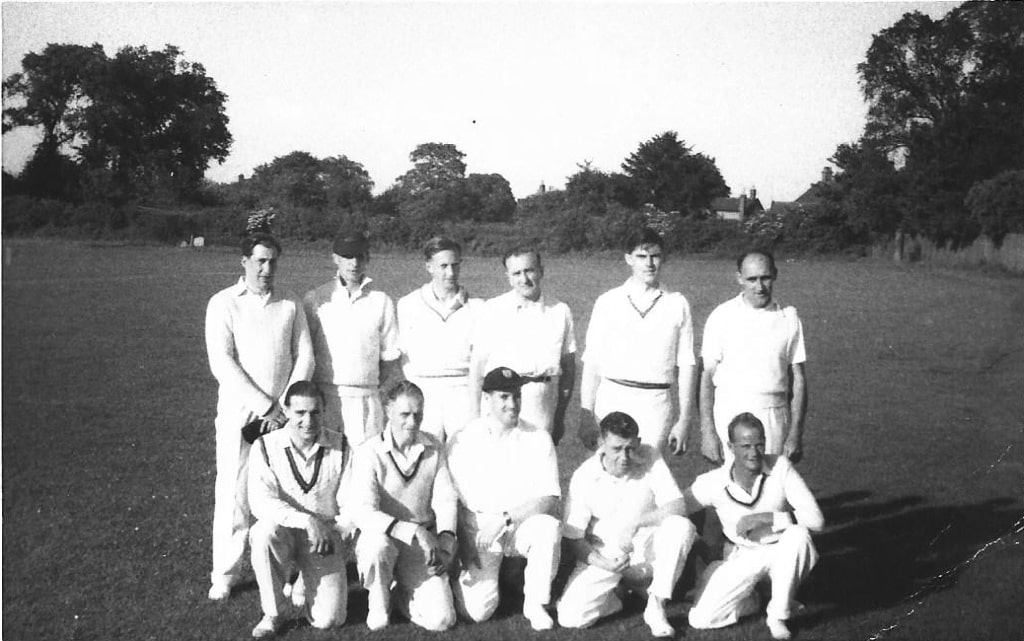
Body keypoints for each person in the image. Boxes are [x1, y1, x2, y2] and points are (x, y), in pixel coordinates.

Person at [204, 232, 314, 601]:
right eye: (260, 261)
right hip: (242, 413)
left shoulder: (290, 303)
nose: (267, 269)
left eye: (273, 262)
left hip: (284, 416)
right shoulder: (223, 303)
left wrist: (287, 407)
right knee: (233, 493)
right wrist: (265, 406)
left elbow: (305, 357)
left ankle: (292, 570)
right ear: (245, 262)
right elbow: (222, 362)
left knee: (288, 493)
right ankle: (225, 572)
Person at [684, 413, 824, 640]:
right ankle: (753, 598)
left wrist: (768, 518)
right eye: (746, 445)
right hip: (742, 556)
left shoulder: (780, 467)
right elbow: (677, 506)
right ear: (731, 447)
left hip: (781, 552)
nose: (754, 452)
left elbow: (816, 520)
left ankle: (778, 615)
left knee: (798, 535)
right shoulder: (712, 481)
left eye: (759, 444)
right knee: (700, 620)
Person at [557, 412, 698, 637]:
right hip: (608, 555)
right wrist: (605, 564)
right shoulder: (583, 476)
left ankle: (656, 604)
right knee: (570, 617)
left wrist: (636, 524)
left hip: (647, 552)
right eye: (617, 449)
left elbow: (678, 506)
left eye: (630, 448)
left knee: (681, 526)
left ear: (638, 443)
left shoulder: (650, 455)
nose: (624, 456)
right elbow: (574, 539)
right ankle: (620, 595)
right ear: (601, 443)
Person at [447, 367, 562, 630]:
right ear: (486, 399)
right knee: (477, 612)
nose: (513, 404)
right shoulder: (463, 439)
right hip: (478, 531)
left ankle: (535, 603)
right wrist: (462, 546)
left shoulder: (538, 437)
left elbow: (549, 498)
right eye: (504, 397)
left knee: (548, 528)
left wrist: (505, 519)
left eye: (517, 396)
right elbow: (452, 500)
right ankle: (483, 577)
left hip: (518, 523)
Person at [247, 381, 356, 638]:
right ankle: (272, 614)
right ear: (286, 411)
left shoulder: (342, 446)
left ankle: (306, 580)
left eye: (315, 412)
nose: (308, 421)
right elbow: (261, 502)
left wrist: (336, 532)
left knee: (329, 620)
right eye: (300, 413)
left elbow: (352, 502)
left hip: (324, 539)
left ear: (324, 410)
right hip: (284, 531)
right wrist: (307, 521)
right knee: (263, 532)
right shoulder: (264, 446)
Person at [351, 381, 458, 632]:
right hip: (384, 540)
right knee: (375, 545)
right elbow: (364, 512)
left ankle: (401, 595)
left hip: (420, 547)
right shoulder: (369, 452)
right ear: (388, 411)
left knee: (442, 621)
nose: (412, 422)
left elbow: (445, 499)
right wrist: (416, 531)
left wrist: (446, 539)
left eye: (418, 414)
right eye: (405, 414)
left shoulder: (433, 448)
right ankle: (378, 602)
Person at [578, 228, 696, 453]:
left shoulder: (677, 303)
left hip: (656, 403)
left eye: (655, 256)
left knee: (648, 475)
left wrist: (684, 420)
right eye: (642, 256)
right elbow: (592, 362)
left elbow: (687, 364)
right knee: (608, 473)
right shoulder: (607, 302)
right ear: (628, 259)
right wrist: (586, 414)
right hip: (612, 396)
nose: (649, 263)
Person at [699, 249, 807, 464]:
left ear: (774, 274)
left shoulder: (789, 317)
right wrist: (707, 432)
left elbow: (799, 381)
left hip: (775, 416)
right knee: (730, 489)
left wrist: (795, 433)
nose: (759, 286)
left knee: (771, 490)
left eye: (765, 278)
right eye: (752, 279)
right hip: (729, 411)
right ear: (739, 278)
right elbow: (706, 378)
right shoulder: (722, 316)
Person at [469, 247, 576, 443]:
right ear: (508, 277)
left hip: (541, 403)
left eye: (529, 270)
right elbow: (477, 369)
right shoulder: (491, 310)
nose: (524, 279)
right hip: (500, 401)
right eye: (517, 273)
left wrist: (559, 416)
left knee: (536, 464)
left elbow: (568, 369)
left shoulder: (560, 311)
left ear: (541, 271)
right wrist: (475, 417)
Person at [304, 228, 401, 445]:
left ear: (368, 258)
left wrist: (366, 385)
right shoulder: (316, 299)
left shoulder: (381, 301)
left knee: (364, 467)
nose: (353, 263)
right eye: (347, 256)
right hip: (325, 398)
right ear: (335, 259)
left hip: (366, 400)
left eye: (359, 256)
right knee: (327, 466)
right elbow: (304, 353)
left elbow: (390, 357)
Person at [396, 236, 483, 441]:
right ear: (429, 266)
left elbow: (481, 361)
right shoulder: (408, 304)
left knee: (464, 456)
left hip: (464, 390)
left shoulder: (478, 307)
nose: (450, 273)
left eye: (455, 265)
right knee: (423, 454)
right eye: (443, 266)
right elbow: (403, 356)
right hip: (424, 389)